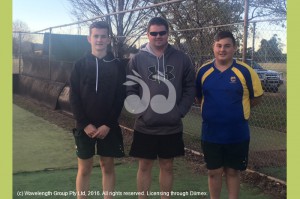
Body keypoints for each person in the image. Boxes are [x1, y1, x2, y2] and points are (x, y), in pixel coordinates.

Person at [125, 17, 195, 199]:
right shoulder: (137, 59)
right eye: (153, 33)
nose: (158, 36)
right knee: (144, 166)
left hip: (171, 125)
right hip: (145, 125)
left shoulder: (182, 58)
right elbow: (130, 88)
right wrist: (140, 112)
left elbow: (190, 87)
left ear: (168, 34)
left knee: (167, 166)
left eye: (162, 32)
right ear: (148, 35)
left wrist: (179, 112)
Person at [195, 30, 264, 199]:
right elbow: (199, 97)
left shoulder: (245, 71)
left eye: (227, 46)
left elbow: (256, 97)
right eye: (219, 46)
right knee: (214, 172)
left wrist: (237, 112)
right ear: (214, 47)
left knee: (233, 171)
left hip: (237, 133)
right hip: (211, 133)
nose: (222, 50)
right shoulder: (203, 71)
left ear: (234, 48)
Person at [69, 21, 125, 199]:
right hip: (84, 127)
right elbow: (74, 96)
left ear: (109, 39)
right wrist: (84, 124)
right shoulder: (79, 64)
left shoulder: (117, 65)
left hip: (107, 127)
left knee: (107, 166)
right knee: (84, 169)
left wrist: (108, 124)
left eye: (103, 36)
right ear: (89, 38)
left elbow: (119, 97)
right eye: (96, 36)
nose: (99, 39)